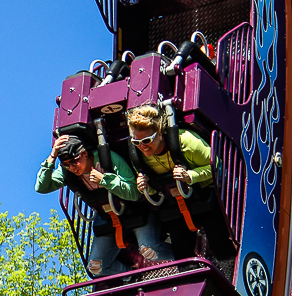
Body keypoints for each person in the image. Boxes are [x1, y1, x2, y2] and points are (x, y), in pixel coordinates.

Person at [35, 134, 173, 277]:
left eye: (75, 161)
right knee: (95, 267)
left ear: (84, 154)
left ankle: (184, 258)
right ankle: (133, 277)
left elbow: (133, 192)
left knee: (149, 250)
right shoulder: (68, 172)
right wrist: (52, 156)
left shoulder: (107, 158)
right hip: (109, 219)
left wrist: (106, 181)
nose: (72, 167)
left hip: (136, 211)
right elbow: (41, 187)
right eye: (67, 164)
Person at [126, 104, 217, 258]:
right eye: (137, 142)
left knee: (220, 245)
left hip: (206, 194)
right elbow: (155, 190)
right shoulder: (139, 158)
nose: (142, 146)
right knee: (181, 254)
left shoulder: (186, 142)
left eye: (147, 140)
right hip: (175, 204)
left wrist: (190, 176)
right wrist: (147, 187)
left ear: (160, 134)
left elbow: (217, 166)